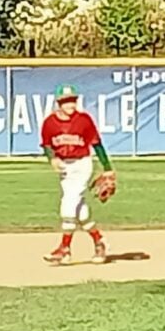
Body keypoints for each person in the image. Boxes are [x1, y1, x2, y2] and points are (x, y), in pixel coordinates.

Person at [39, 84, 114, 264]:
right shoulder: (50, 123)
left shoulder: (84, 120)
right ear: (59, 103)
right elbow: (47, 144)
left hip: (82, 164)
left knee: (68, 202)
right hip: (65, 167)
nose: (70, 104)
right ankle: (99, 240)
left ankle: (64, 248)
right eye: (66, 101)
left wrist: (107, 167)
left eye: (73, 100)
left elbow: (97, 144)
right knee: (80, 212)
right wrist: (52, 159)